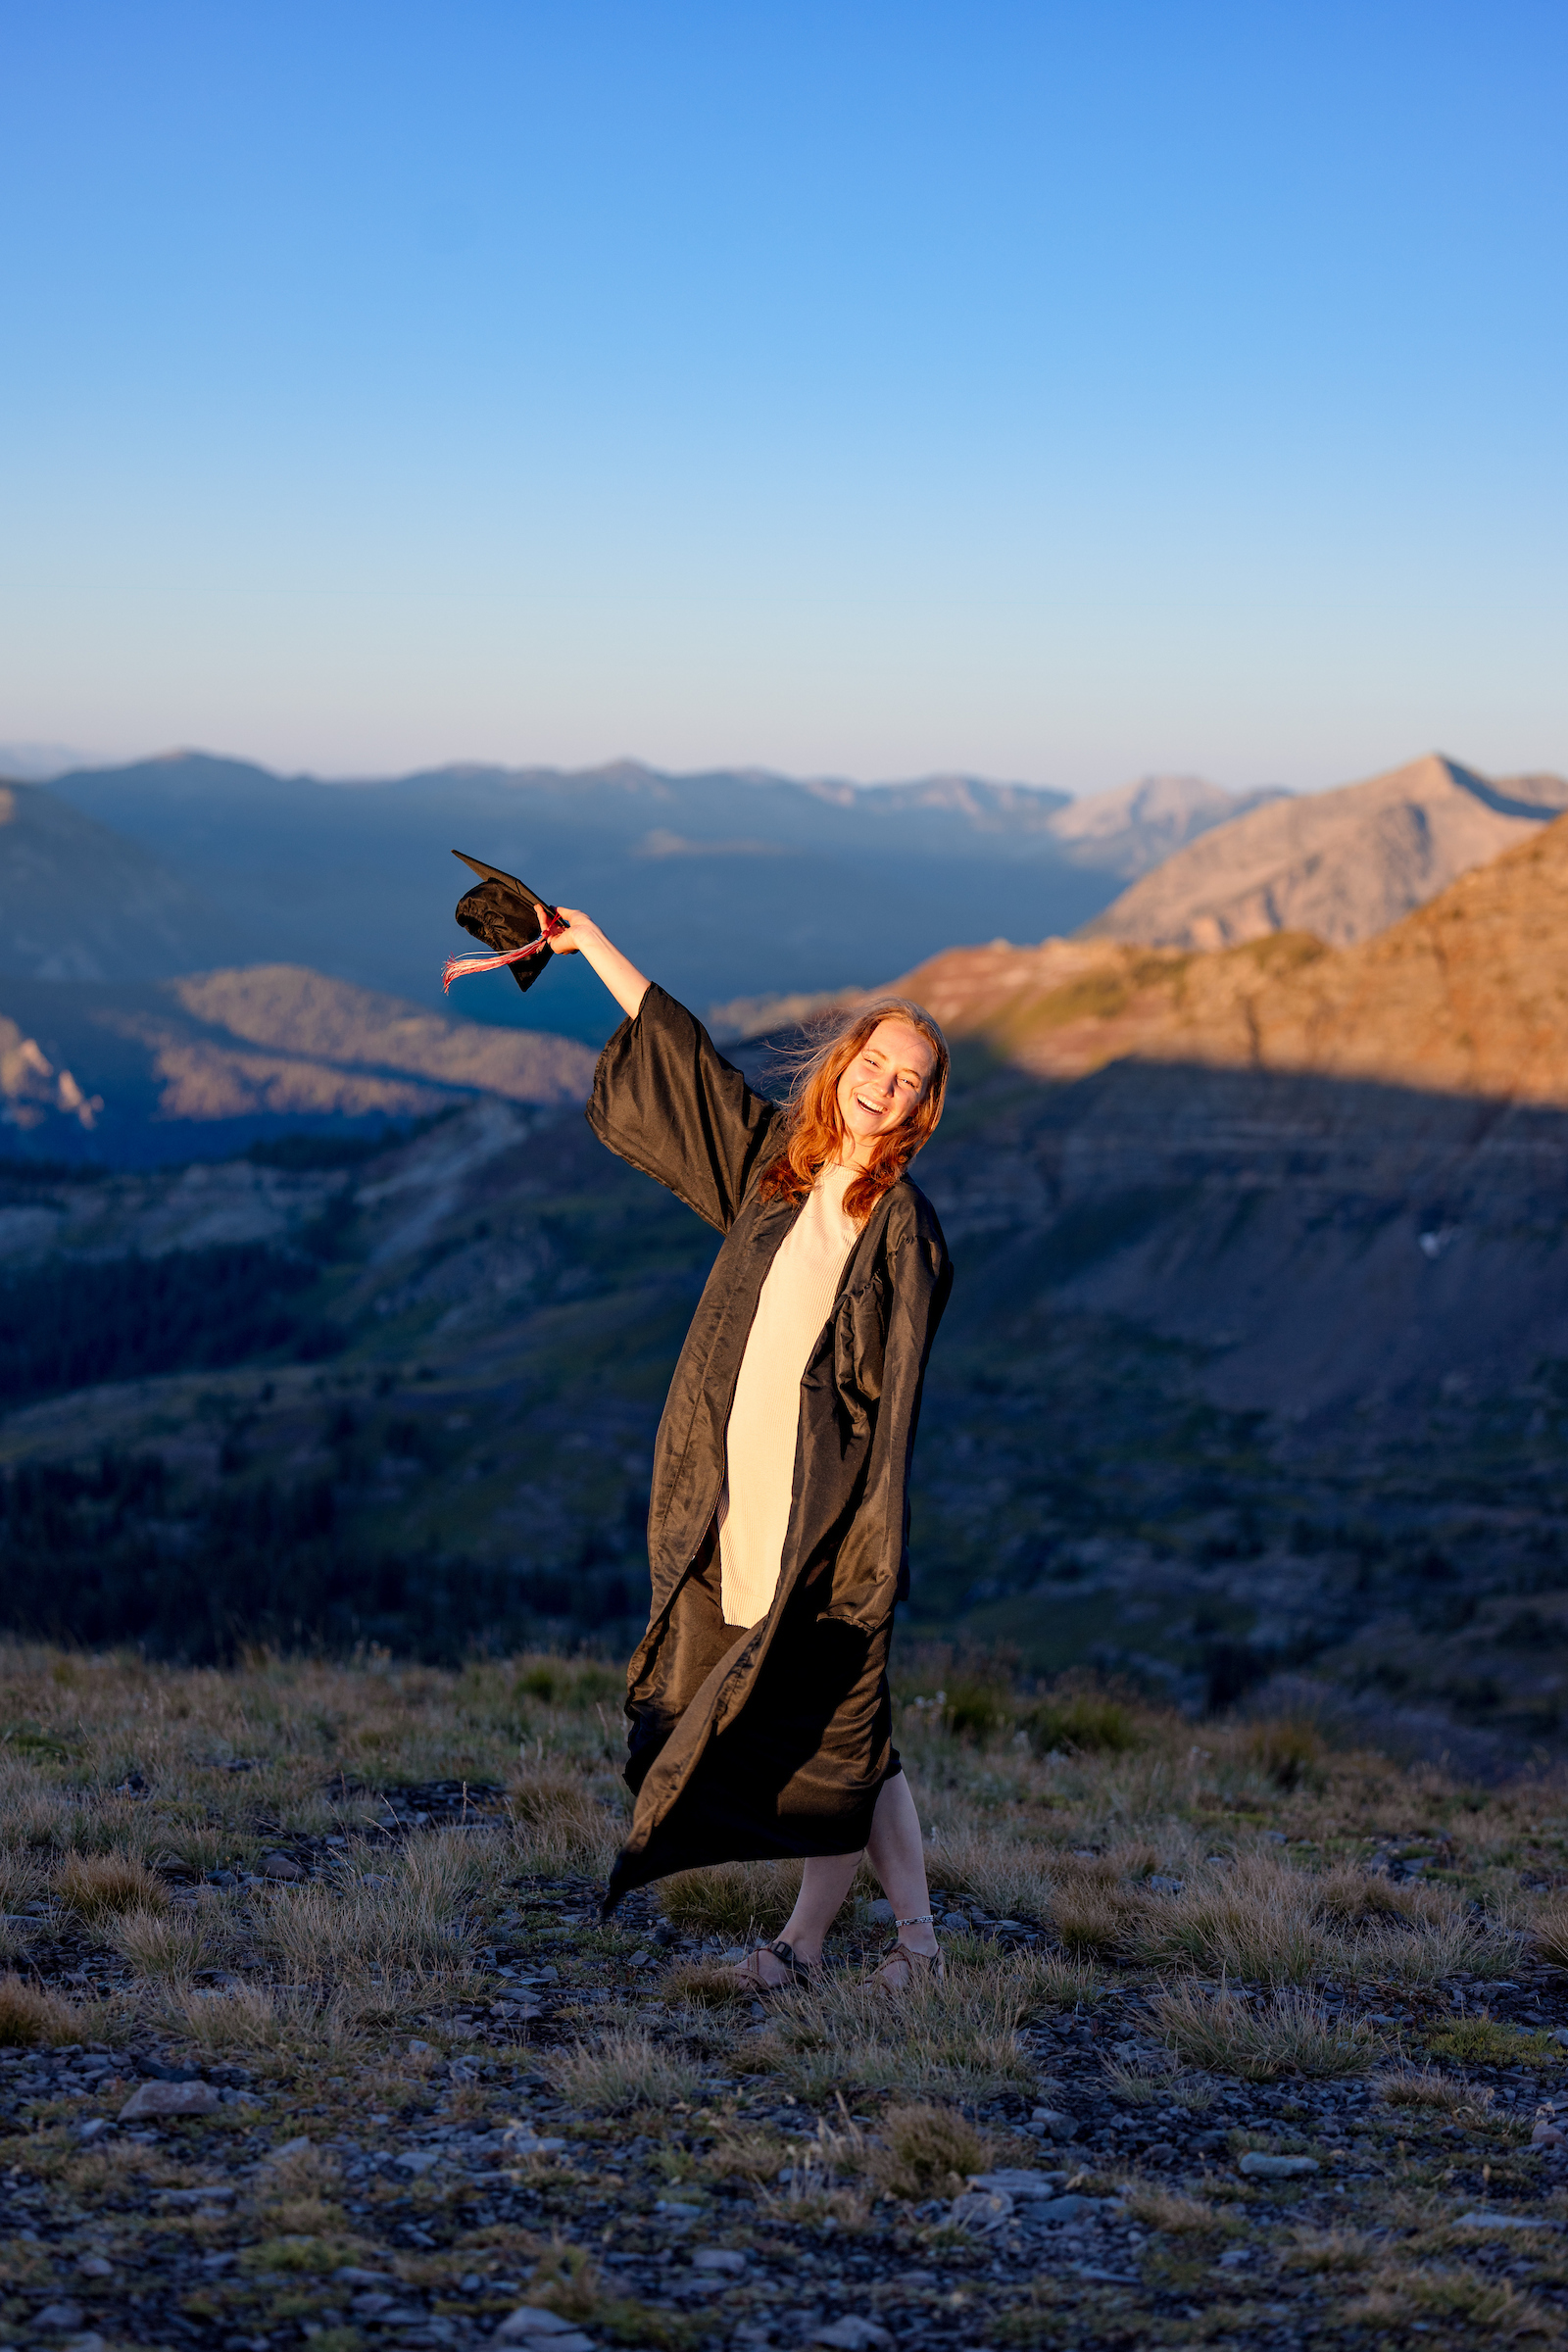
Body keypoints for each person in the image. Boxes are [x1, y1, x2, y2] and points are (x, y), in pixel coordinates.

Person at [552, 908, 954, 1990]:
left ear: (923, 1105)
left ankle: (901, 1950)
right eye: (877, 1064)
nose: (887, 1087)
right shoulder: (780, 1172)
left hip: (822, 1522)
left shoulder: (900, 1229)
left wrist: (863, 1538)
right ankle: (818, 1950)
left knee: (846, 1732)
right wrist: (589, 946)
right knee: (834, 1734)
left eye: (910, 1079)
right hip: (742, 1502)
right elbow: (686, 1066)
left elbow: (893, 1404)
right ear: (847, 1066)